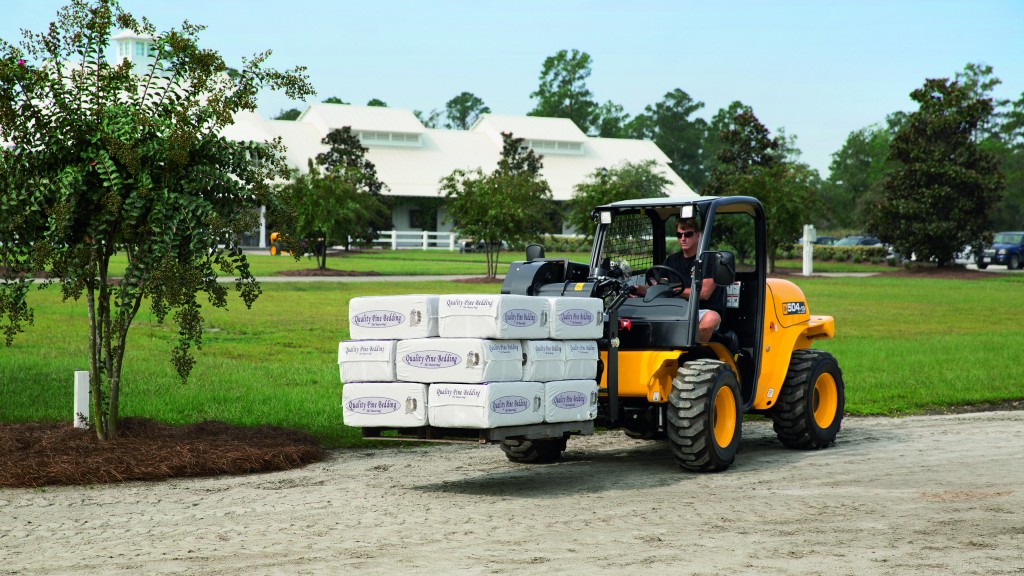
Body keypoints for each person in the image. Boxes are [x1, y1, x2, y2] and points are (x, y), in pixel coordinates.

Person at [634, 217, 722, 343]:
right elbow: (659, 287)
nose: (683, 238)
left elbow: (704, 293)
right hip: (675, 308)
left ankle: (695, 353)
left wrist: (672, 290)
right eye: (679, 235)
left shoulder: (709, 259)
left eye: (688, 234)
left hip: (702, 310)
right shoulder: (671, 260)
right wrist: (638, 290)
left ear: (697, 235)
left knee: (710, 319)